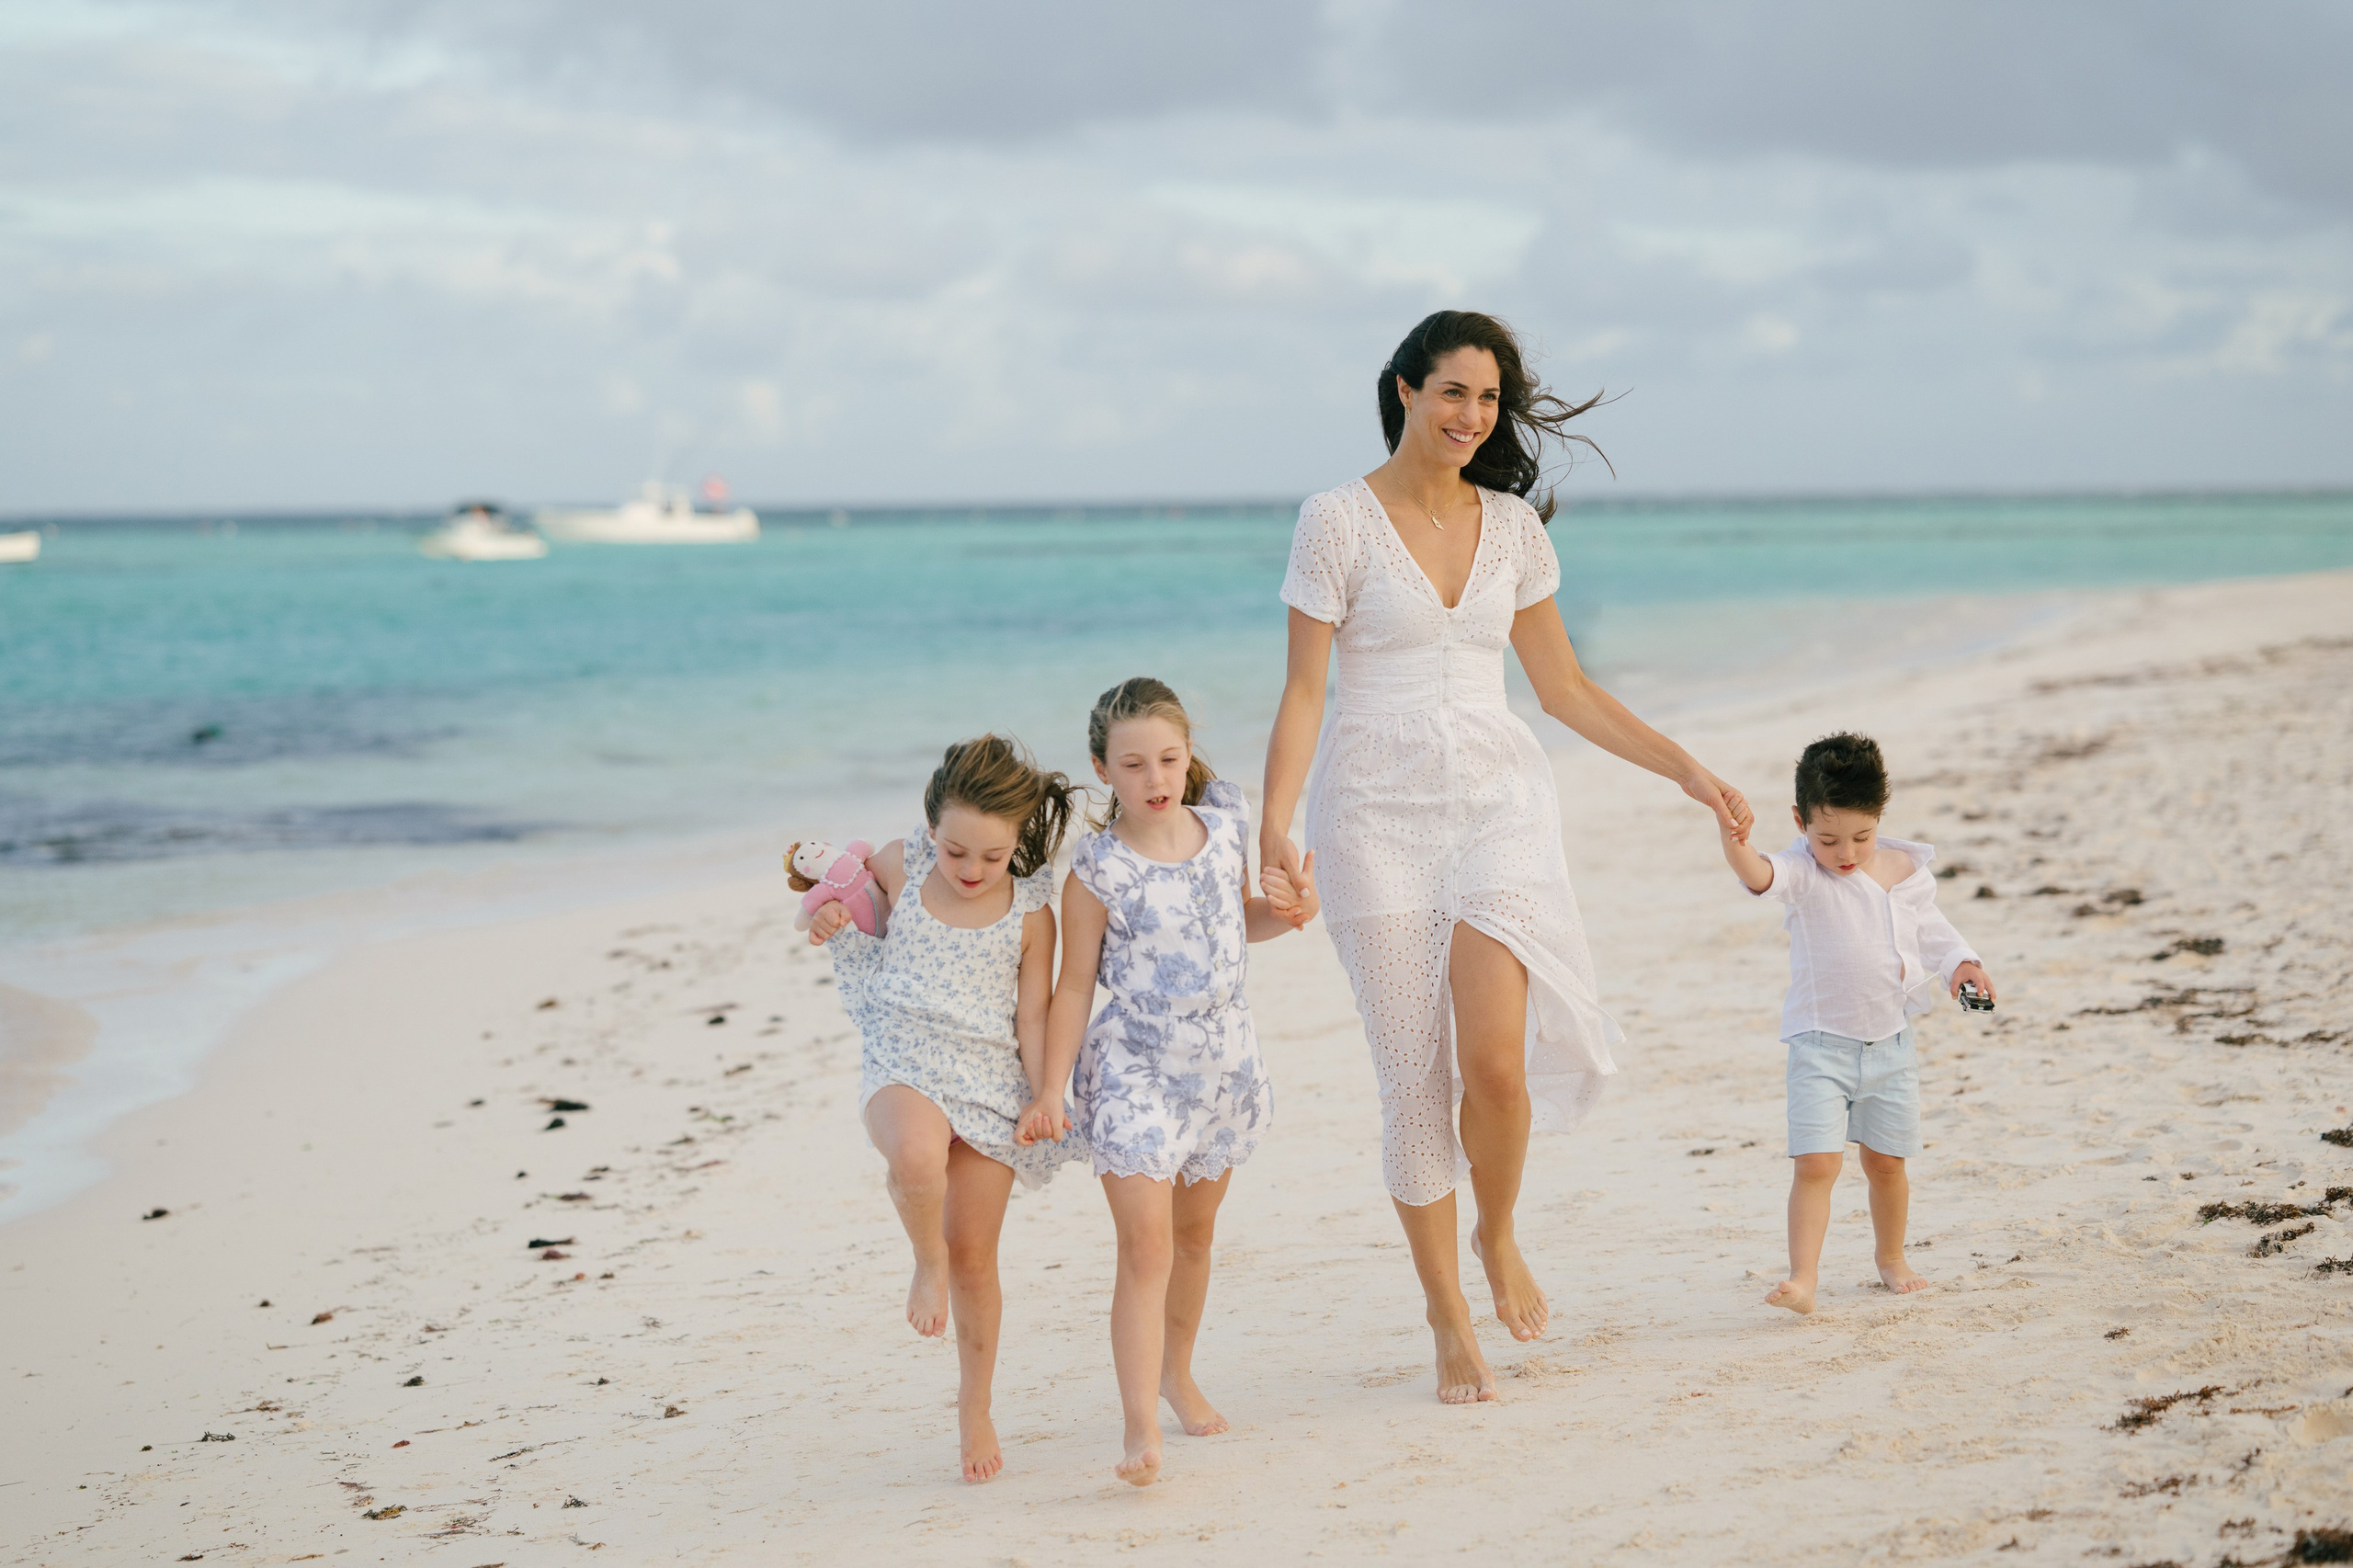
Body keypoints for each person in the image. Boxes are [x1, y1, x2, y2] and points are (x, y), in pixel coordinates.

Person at [1258, 310, 1753, 1404]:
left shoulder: (1516, 529)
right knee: (1412, 1079)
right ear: (1403, 391)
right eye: (1450, 394)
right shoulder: (1333, 520)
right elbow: (1303, 692)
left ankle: (1498, 1232)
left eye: (1487, 399)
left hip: (1495, 800)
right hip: (1371, 814)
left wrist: (1686, 769)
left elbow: (1565, 688)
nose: (1470, 417)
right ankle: (1444, 1312)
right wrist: (1271, 823)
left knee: (1494, 1064)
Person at [1034, 677, 1314, 1487]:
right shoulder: (1096, 870)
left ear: (1187, 755)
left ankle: (1177, 1371)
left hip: (1223, 1067)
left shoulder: (1226, 833)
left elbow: (1242, 923)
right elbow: (1074, 987)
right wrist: (1052, 1091)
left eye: (1167, 757)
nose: (1154, 777)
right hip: (1135, 1072)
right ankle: (1138, 1426)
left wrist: (1290, 914)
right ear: (1102, 769)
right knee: (1146, 1247)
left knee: (1195, 1238)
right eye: (1132, 764)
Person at [805, 733, 1086, 1483]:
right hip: (903, 1058)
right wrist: (824, 919)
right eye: (958, 850)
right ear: (933, 826)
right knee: (917, 1157)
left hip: (990, 1083)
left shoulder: (1032, 914)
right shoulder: (902, 863)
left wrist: (1042, 1094)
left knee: (977, 1259)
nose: (971, 870)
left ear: (1016, 844)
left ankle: (976, 1402)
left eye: (991, 858)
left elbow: (1033, 1017)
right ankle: (921, 1262)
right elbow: (824, 888)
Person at [1716, 731, 1994, 1315]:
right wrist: (1734, 840)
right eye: (1827, 838)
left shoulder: (1901, 868)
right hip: (1820, 1047)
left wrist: (1962, 964)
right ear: (1800, 822)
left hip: (1890, 1046)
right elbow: (1760, 875)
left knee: (1887, 1164)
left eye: (1861, 836)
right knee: (1817, 1163)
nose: (1846, 852)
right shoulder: (1801, 871)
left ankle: (1891, 1257)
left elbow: (1933, 930)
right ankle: (1803, 1278)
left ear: (1878, 818)